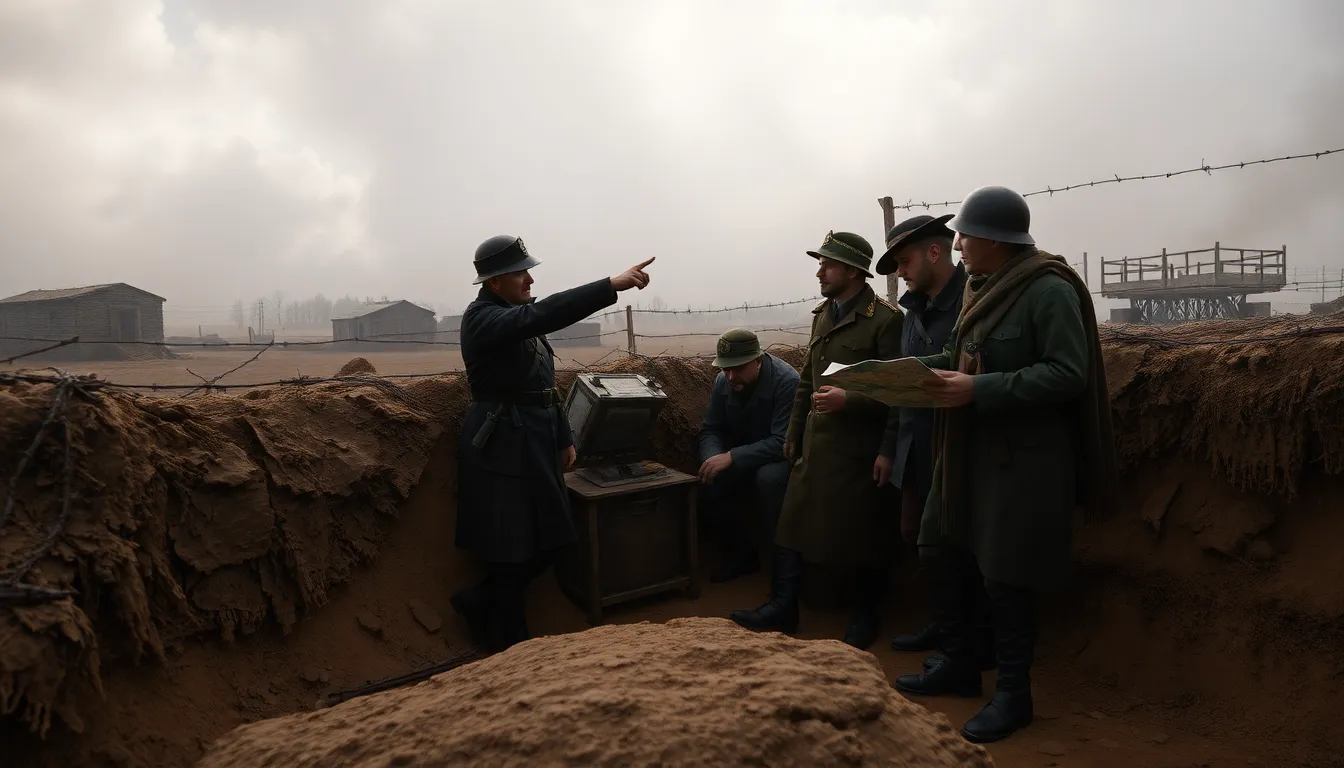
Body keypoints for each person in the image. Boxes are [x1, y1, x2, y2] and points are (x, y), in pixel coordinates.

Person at [892, 186, 1118, 745]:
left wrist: (980, 389)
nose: (958, 244)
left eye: (964, 235)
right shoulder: (981, 288)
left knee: (1006, 577)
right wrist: (904, 369)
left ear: (992, 238)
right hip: (968, 453)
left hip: (1022, 461)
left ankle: (1015, 696)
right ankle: (960, 662)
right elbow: (961, 357)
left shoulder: (1047, 290)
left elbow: (1069, 373)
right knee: (938, 546)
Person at [452, 235, 655, 651]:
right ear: (494, 283)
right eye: (519, 272)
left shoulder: (517, 313)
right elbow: (545, 315)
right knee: (509, 551)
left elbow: (544, 384)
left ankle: (477, 601)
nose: (529, 279)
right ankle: (512, 643)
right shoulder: (484, 319)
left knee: (553, 541)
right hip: (502, 446)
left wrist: (564, 436)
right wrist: (609, 286)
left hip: (537, 441)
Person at [729, 231, 903, 650]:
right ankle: (784, 604)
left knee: (862, 534)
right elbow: (807, 380)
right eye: (821, 263)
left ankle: (865, 616)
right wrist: (792, 433)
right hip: (816, 443)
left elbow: (899, 392)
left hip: (858, 449)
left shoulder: (886, 320)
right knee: (791, 525)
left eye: (827, 264)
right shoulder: (823, 314)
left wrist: (863, 415)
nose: (820, 271)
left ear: (852, 271)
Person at [875, 215, 994, 670]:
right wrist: (889, 448)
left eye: (904, 261)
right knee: (918, 537)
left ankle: (970, 642)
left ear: (935, 252)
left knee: (959, 547)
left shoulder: (973, 303)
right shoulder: (912, 311)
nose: (900, 273)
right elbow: (902, 383)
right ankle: (943, 624)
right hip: (914, 445)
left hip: (958, 447)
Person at [696, 328, 800, 583]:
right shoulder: (724, 381)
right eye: (725, 369)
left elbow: (782, 442)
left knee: (768, 479)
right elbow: (712, 429)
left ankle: (784, 571)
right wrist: (711, 459)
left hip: (781, 457)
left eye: (738, 368)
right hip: (744, 455)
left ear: (758, 361)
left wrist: (731, 457)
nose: (731, 376)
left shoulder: (786, 381)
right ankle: (742, 555)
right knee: (709, 482)